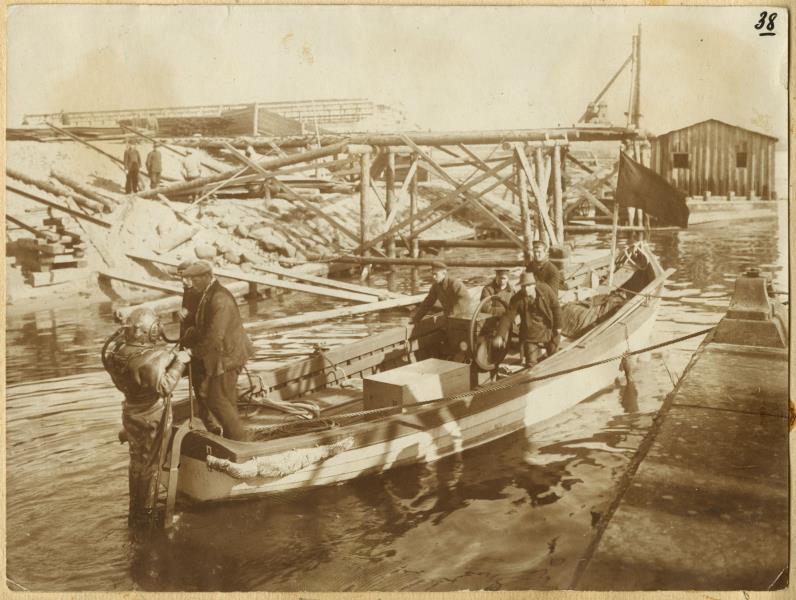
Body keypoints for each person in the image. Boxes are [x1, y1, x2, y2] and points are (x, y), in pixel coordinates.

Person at [102, 307, 192, 527]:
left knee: (137, 463)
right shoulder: (155, 357)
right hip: (153, 415)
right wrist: (181, 361)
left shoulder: (116, 352)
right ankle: (147, 516)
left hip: (130, 412)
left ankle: (136, 511)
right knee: (151, 465)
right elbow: (165, 385)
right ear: (150, 330)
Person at [181, 261, 255, 441]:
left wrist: (191, 353)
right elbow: (206, 322)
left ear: (207, 277)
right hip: (225, 354)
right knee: (226, 399)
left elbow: (215, 336)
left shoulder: (220, 298)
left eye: (194, 279)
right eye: (189, 279)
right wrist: (190, 318)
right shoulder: (208, 293)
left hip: (229, 356)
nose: (190, 283)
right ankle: (235, 438)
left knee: (216, 398)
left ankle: (240, 441)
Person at [493, 271, 562, 367]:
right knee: (531, 363)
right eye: (523, 286)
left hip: (549, 329)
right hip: (531, 334)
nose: (525, 289)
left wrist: (558, 326)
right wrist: (500, 335)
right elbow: (508, 317)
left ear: (534, 285)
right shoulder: (516, 299)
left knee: (554, 357)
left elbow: (556, 307)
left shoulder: (545, 289)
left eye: (528, 286)